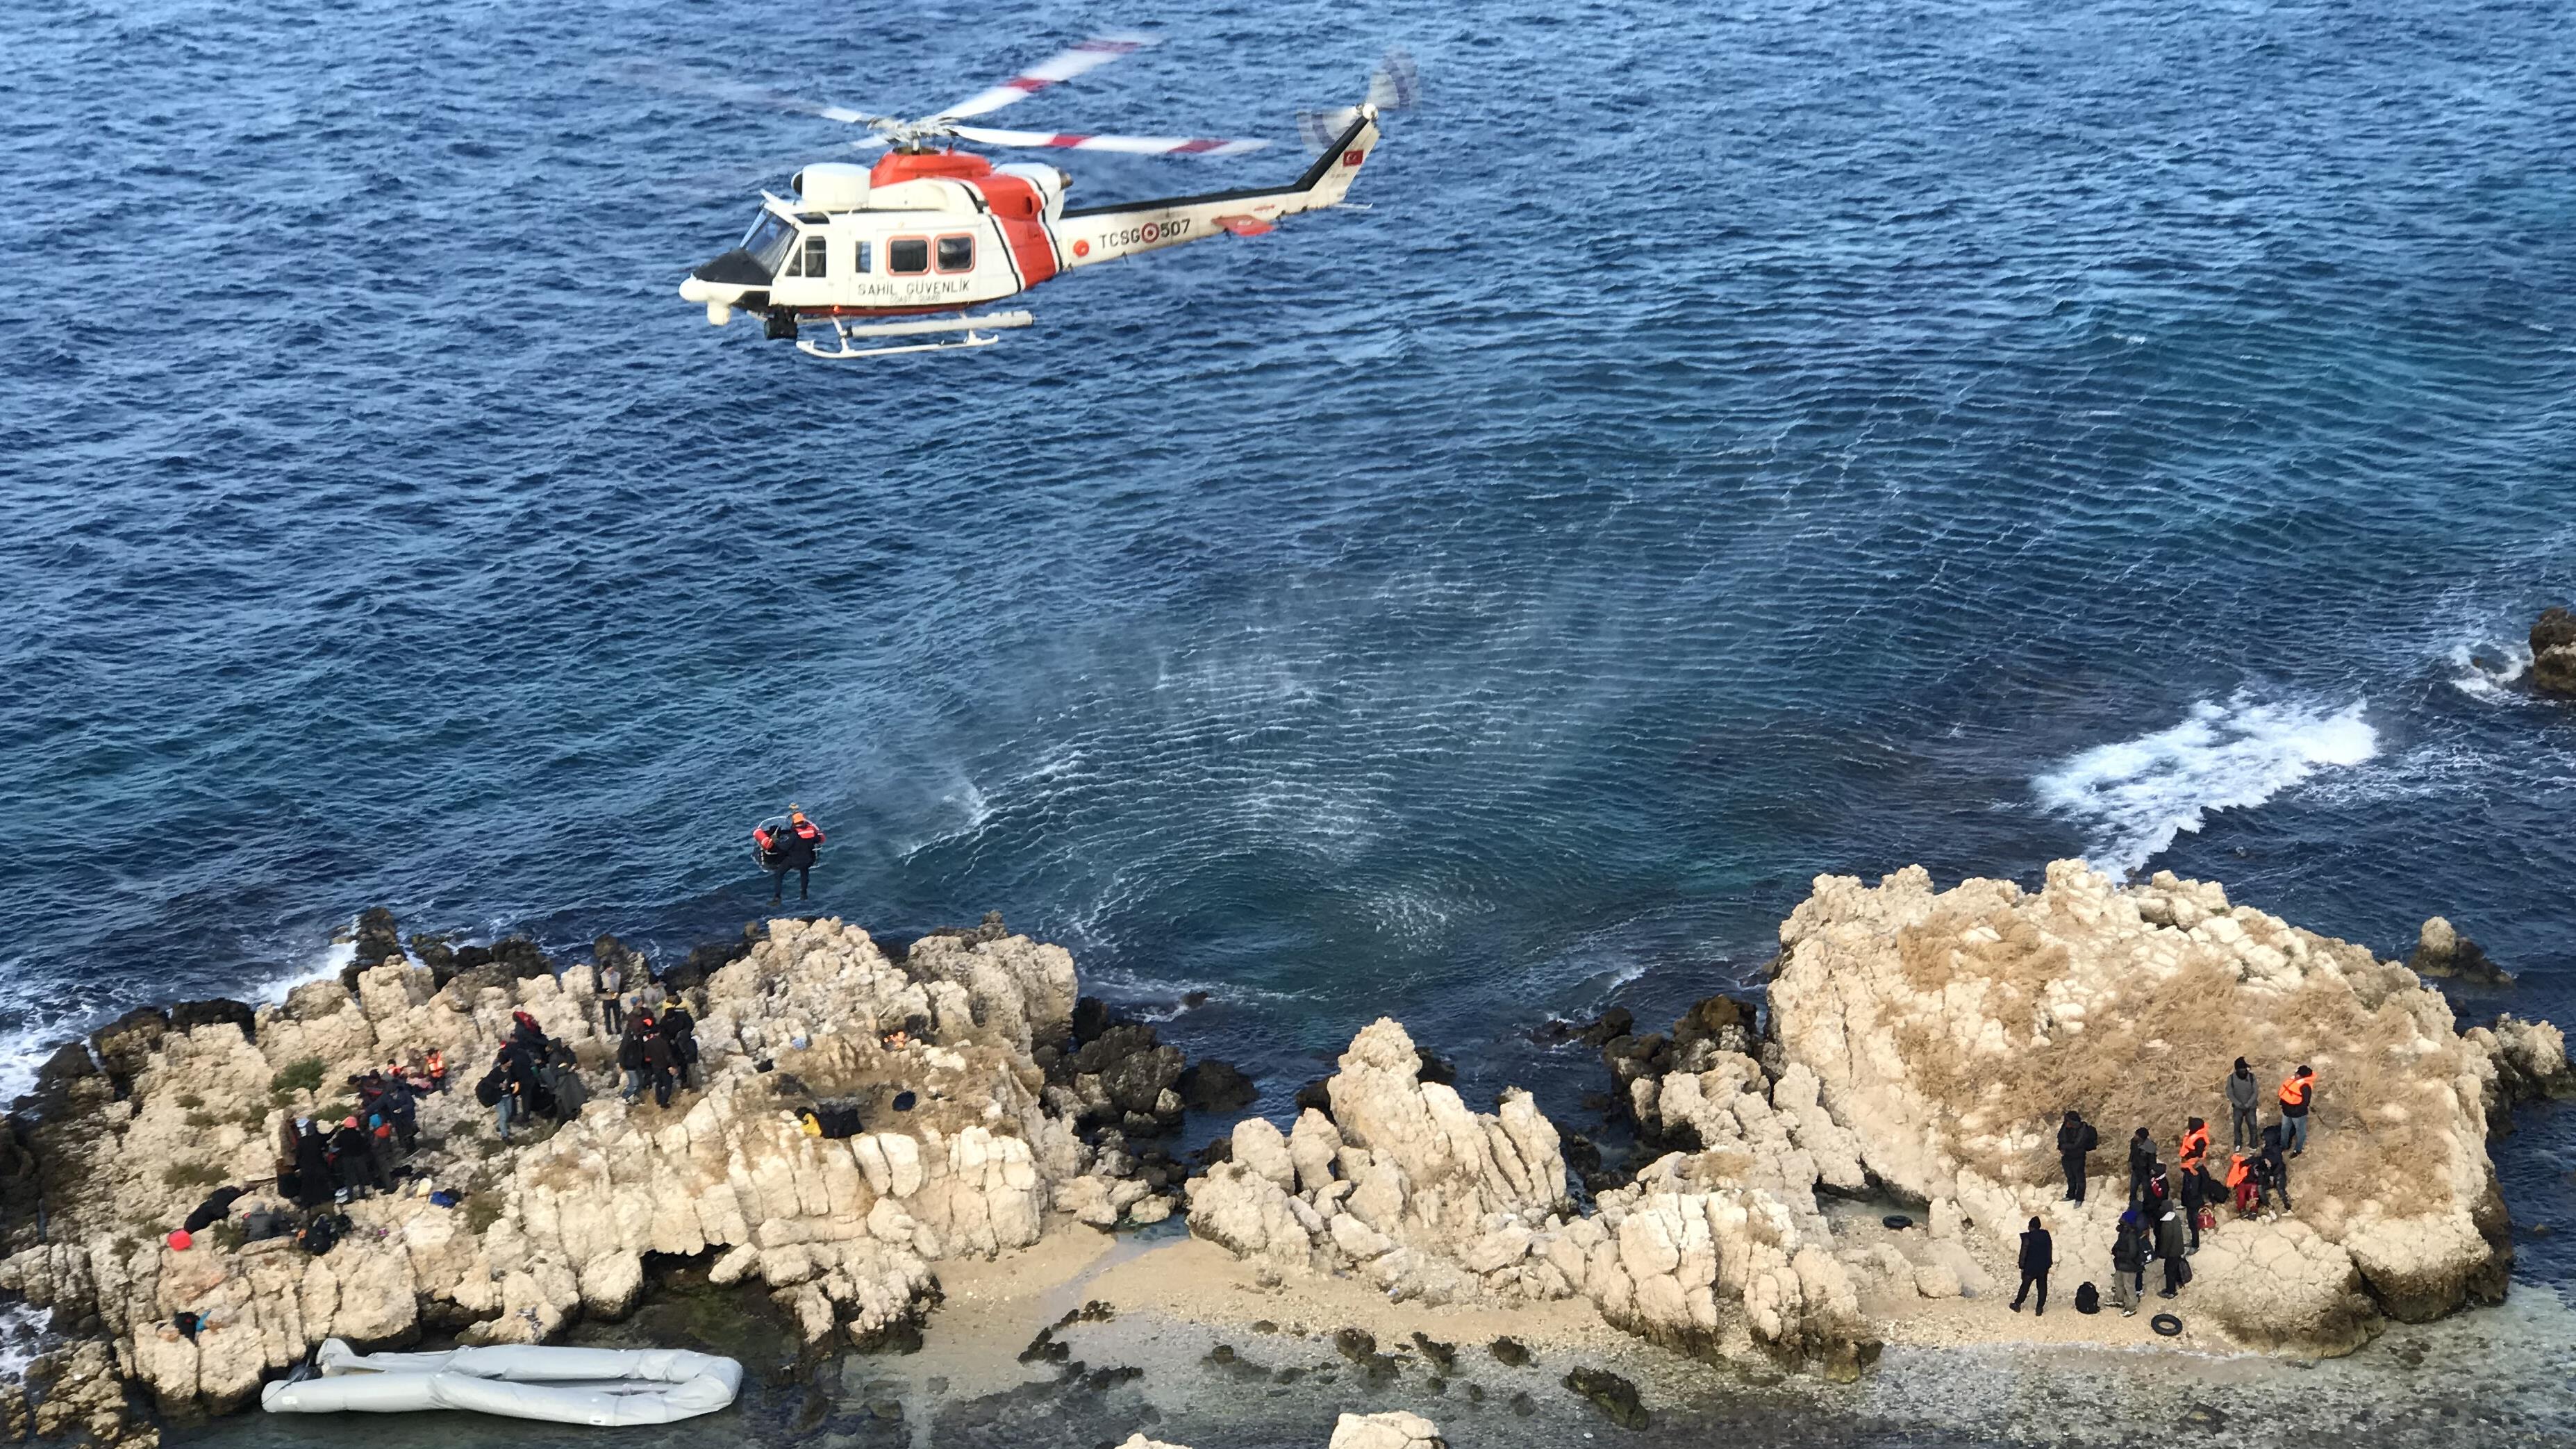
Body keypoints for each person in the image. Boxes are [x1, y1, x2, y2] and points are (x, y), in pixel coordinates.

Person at [766, 807, 826, 902]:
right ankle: (804, 894)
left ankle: (777, 897)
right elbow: (819, 840)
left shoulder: (794, 835)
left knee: (779, 874)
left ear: (794, 823)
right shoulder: (811, 832)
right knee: (805, 871)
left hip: (794, 861)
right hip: (808, 860)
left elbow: (784, 847)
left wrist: (776, 841)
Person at [2011, 1216, 2053, 1316]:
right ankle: (2039, 1308)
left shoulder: (2028, 1238)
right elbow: (2049, 1249)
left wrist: (2022, 1266)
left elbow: (2024, 1253)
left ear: (2030, 1227)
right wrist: (2048, 1263)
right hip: (2043, 1267)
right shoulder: (2046, 1235)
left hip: (2031, 1267)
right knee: (2042, 1287)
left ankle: (2017, 1304)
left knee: (2025, 1286)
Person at [2110, 1210, 2147, 1316]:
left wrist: (2118, 1254)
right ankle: (2119, 1300)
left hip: (2130, 1265)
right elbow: (2119, 1244)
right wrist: (2115, 1250)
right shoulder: (2124, 1232)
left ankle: (2132, 1307)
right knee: (2118, 1281)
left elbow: (2132, 1253)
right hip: (2122, 1264)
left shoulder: (2132, 1235)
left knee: (2129, 1286)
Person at [328, 1116, 373, 1202]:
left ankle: (350, 1198)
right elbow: (363, 1145)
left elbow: (336, 1145)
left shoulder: (341, 1134)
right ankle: (362, 1194)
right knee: (360, 1176)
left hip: (346, 1158)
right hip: (358, 1157)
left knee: (348, 1178)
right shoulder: (358, 1134)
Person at [2057, 1110, 2099, 1203]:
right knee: (2070, 1177)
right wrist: (2061, 1146)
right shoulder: (2065, 1128)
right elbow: (2060, 1138)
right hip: (2067, 1156)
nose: (2066, 1123)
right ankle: (2070, 1194)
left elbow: (2077, 1144)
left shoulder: (2082, 1129)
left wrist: (2064, 1146)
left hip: (2078, 1157)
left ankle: (2079, 1198)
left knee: (2079, 1178)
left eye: (2068, 1122)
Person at [2279, 1065, 2318, 1155]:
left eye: (2298, 1074)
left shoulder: (2305, 1087)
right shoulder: (2293, 1081)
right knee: (2285, 1129)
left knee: (2300, 1132)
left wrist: (2295, 1111)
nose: (2295, 1075)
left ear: (2302, 1076)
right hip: (2286, 1111)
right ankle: (2284, 1146)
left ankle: (2298, 1149)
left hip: (2298, 1115)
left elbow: (2305, 1103)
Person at [660, 1000, 699, 1089]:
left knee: (687, 1067)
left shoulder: (682, 1017)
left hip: (683, 1046)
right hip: (675, 1046)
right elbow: (663, 1033)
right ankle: (684, 1082)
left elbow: (689, 1026)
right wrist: (670, 1040)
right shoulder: (664, 1021)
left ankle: (688, 1083)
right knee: (682, 1066)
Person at [640, 1022, 678, 1108]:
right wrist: (674, 1066)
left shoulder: (648, 1043)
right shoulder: (663, 1043)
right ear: (659, 1032)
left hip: (655, 1066)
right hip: (664, 1066)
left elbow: (647, 1057)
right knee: (668, 1085)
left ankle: (658, 1100)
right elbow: (668, 1056)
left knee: (659, 1083)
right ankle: (663, 1103)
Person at [2226, 1058, 2262, 1148]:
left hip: (2251, 1107)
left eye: (2244, 1069)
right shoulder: (2231, 1078)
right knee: (2237, 1126)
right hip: (2238, 1108)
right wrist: (2238, 1104)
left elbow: (2255, 1092)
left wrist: (2248, 1104)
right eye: (2241, 1069)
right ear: (2237, 1069)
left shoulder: (2251, 1077)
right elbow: (2230, 1093)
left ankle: (2253, 1145)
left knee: (2253, 1125)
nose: (2243, 1071)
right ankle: (2238, 1144)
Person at [2156, 1207, 2191, 1298]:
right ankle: (2176, 1283)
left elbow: (2166, 1241)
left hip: (2171, 1252)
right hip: (2178, 1248)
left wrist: (2163, 1253)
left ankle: (2171, 1291)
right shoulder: (2175, 1218)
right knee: (2174, 1268)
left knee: (2169, 1271)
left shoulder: (2167, 1224)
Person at [2257, 1123, 2293, 1211]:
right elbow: (2265, 1167)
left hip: (2278, 1173)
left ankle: (2288, 1206)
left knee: (2280, 1188)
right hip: (2270, 1176)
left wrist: (2273, 1176)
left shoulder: (2275, 1149)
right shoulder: (2264, 1152)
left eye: (2263, 1141)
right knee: (2260, 1188)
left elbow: (2278, 1164)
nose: (2262, 1144)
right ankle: (2268, 1206)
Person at [618, 1017, 647, 1102]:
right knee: (634, 1083)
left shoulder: (637, 1035)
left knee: (641, 1082)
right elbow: (621, 1051)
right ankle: (624, 1098)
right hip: (629, 1065)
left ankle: (636, 1098)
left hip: (636, 1063)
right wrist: (621, 1065)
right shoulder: (628, 1037)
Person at [2126, 1127, 2157, 1205]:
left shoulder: (2150, 1147)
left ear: (2141, 1137)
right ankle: (2132, 1205)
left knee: (2146, 1191)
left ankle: (2146, 1207)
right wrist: (2130, 1162)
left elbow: (2152, 1161)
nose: (2135, 1136)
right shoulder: (2134, 1142)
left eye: (2136, 1135)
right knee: (2133, 1189)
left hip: (2145, 1172)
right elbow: (2132, 1153)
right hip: (2136, 1170)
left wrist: (2152, 1171)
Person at [598, 957, 625, 1035]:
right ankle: (609, 1031)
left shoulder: (618, 975)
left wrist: (619, 993)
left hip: (616, 998)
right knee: (607, 1016)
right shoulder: (601, 977)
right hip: (606, 999)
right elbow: (598, 989)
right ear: (606, 969)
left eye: (611, 966)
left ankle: (618, 1030)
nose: (611, 968)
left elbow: (622, 986)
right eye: (609, 967)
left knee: (617, 1015)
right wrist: (606, 990)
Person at [2226, 1151, 2259, 1217]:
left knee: (2253, 1195)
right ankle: (2242, 1210)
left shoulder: (2257, 1163)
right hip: (2242, 1182)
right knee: (2241, 1195)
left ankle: (2253, 1210)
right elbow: (2241, 1163)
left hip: (2252, 1183)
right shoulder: (2240, 1163)